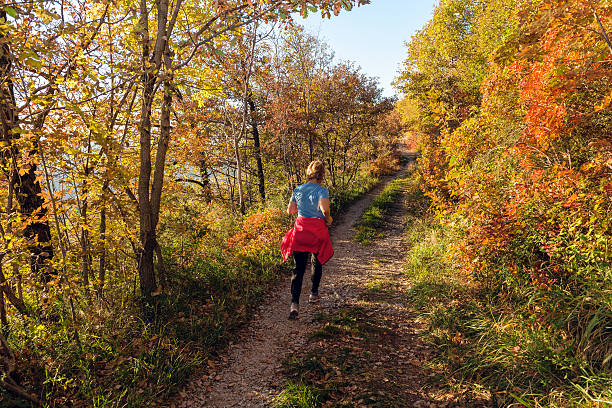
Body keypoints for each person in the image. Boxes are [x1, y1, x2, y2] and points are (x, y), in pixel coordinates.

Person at [281, 160, 334, 320]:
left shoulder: (298, 189)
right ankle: (313, 294)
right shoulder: (322, 190)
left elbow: (290, 210)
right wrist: (329, 219)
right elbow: (324, 210)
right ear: (321, 175)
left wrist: (303, 208)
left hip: (301, 230)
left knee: (298, 269)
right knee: (316, 261)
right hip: (316, 231)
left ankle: (294, 306)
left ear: (308, 173)